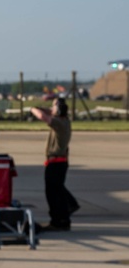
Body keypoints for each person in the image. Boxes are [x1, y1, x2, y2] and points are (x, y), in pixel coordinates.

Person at [30, 97, 79, 231]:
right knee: (56, 190)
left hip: (56, 163)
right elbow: (48, 113)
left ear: (58, 110)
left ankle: (60, 220)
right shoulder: (64, 121)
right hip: (57, 162)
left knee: (53, 193)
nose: (51, 109)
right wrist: (51, 108)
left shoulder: (59, 123)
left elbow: (42, 116)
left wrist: (32, 109)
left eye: (54, 106)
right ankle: (67, 210)